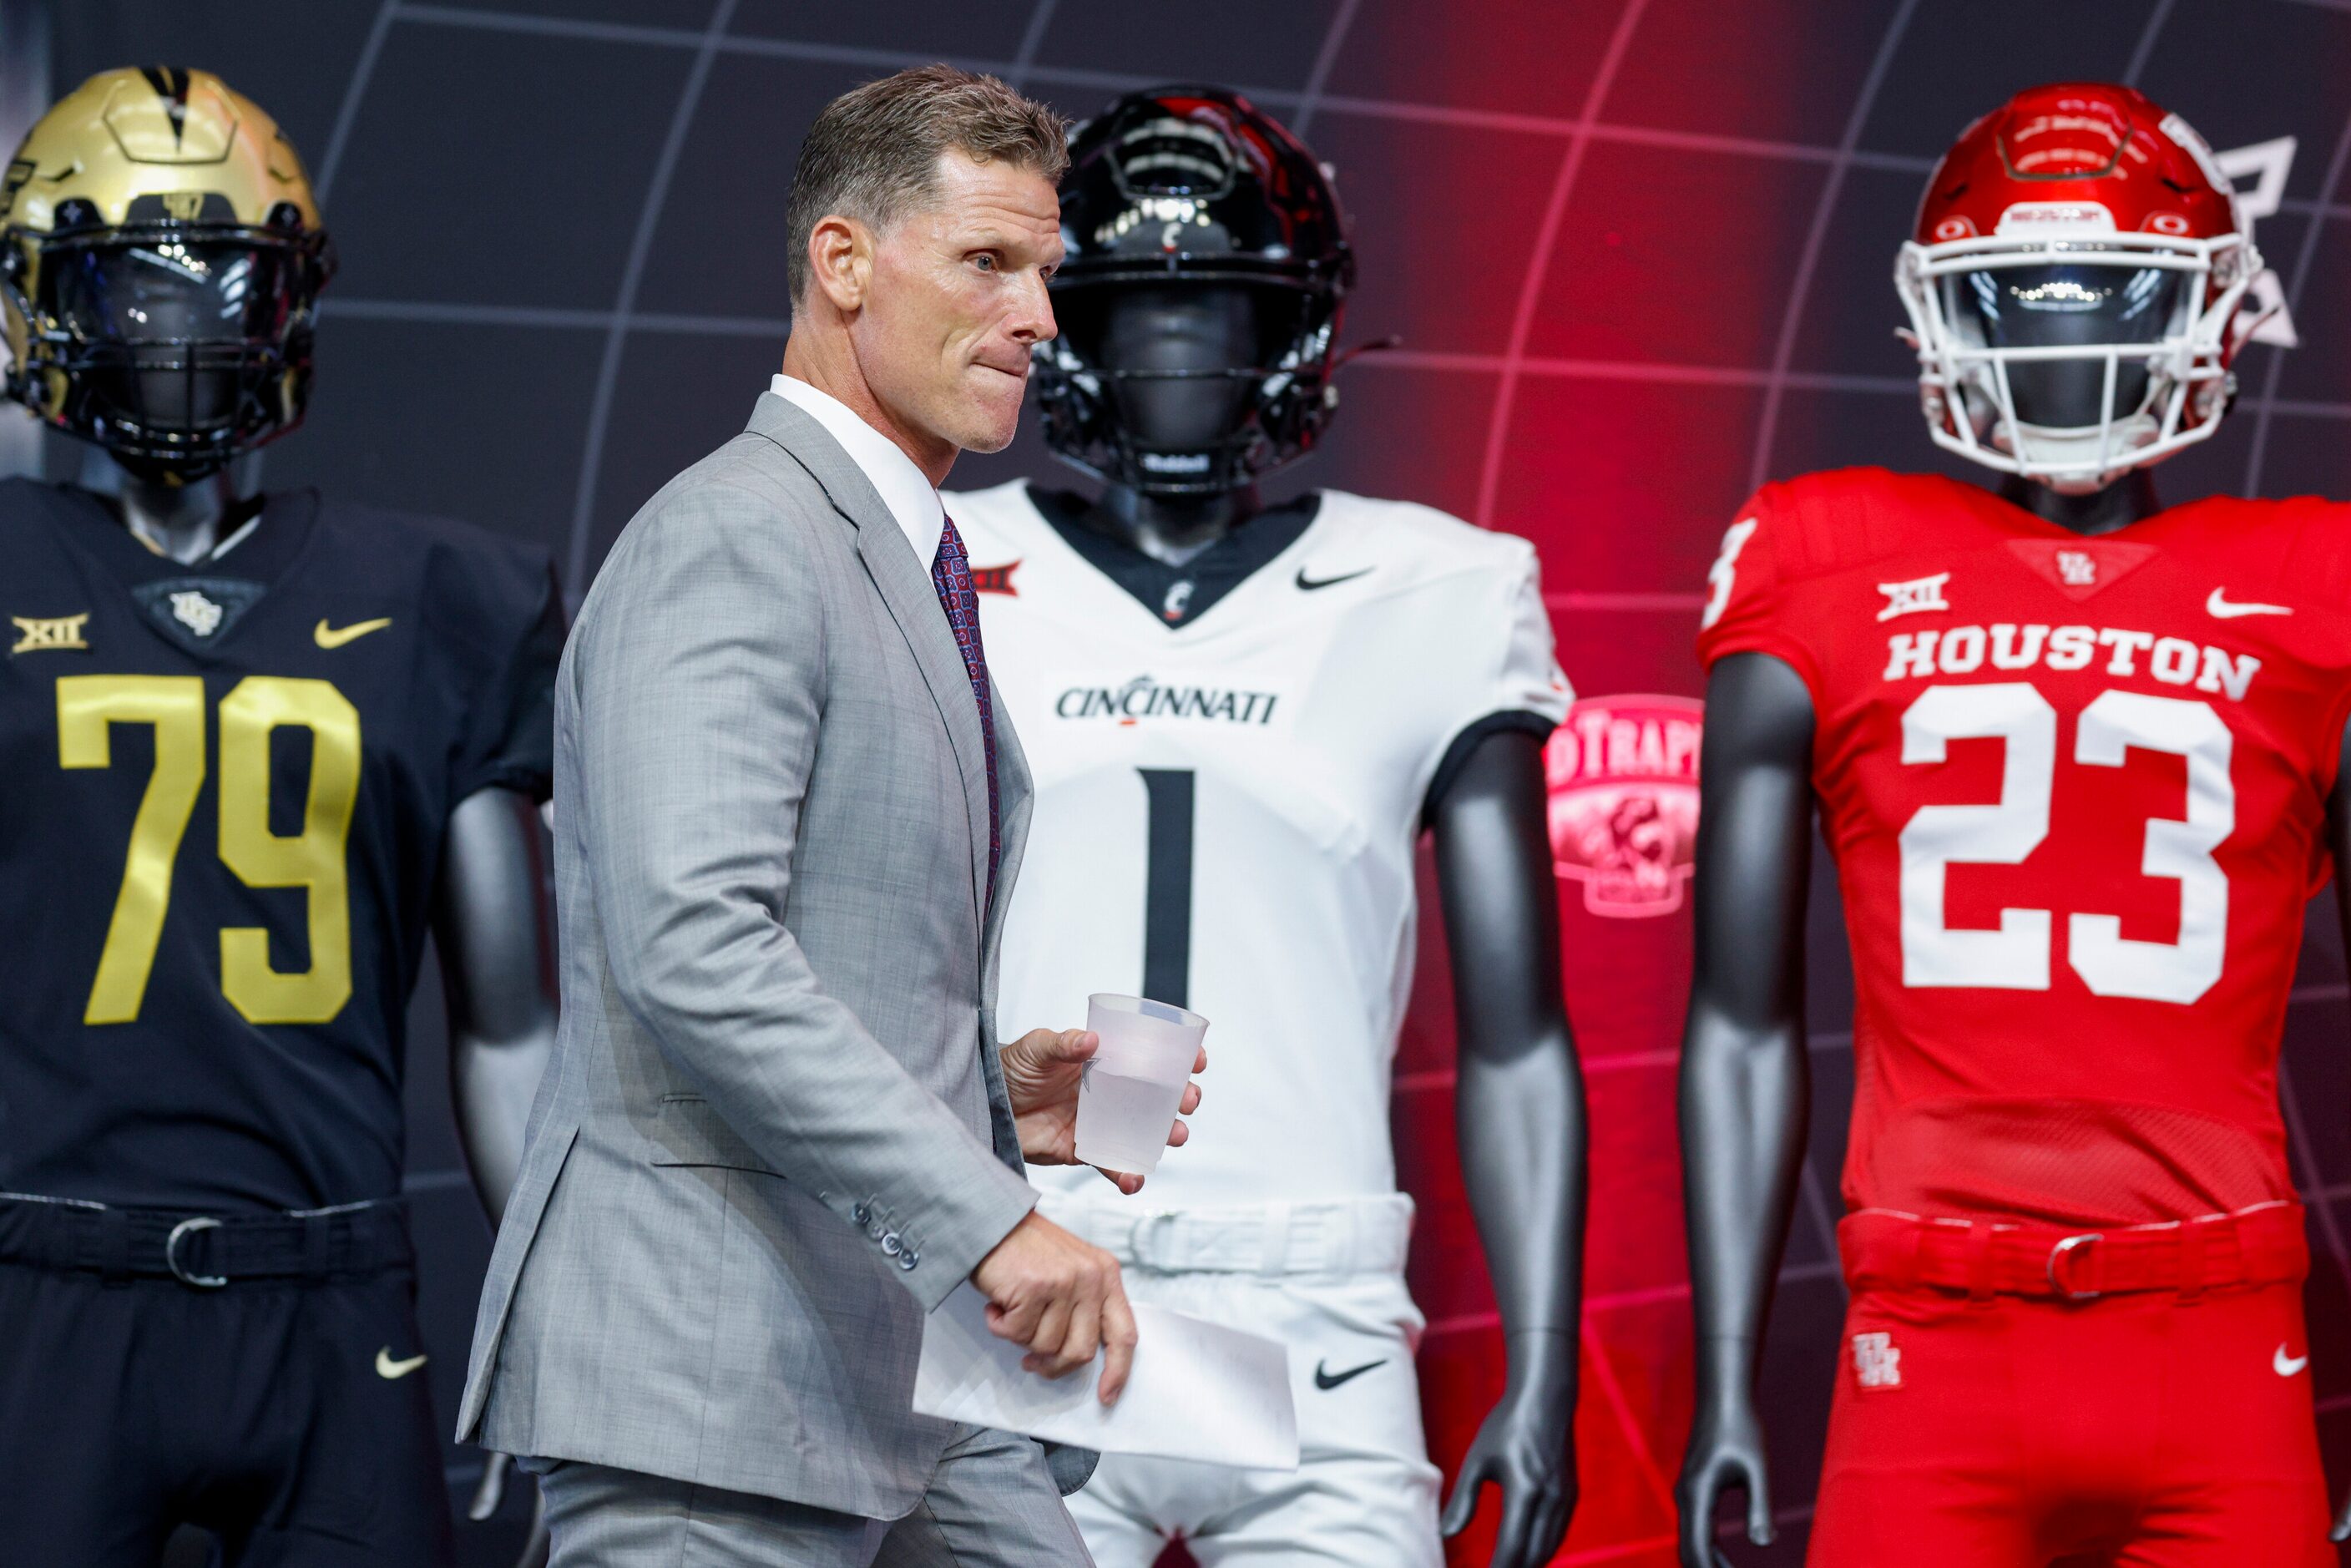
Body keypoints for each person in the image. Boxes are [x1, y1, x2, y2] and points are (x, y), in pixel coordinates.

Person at [456, 65, 1201, 1567]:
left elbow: (801, 952)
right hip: (707, 1374)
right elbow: (696, 952)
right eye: (989, 263)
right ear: (843, 261)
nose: (1042, 320)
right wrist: (986, 1214)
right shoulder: (736, 534)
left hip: (899, 1371)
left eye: (1046, 273)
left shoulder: (879, 544)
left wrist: (988, 1098)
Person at [1675, 82, 2343, 1567]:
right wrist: (1721, 1378)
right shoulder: (1821, 552)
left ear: (2213, 313)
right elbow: (1738, 1021)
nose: (2072, 347)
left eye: (2114, 300)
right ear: (1949, 323)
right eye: (2027, 305)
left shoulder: (2319, 575)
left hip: (2224, 1310)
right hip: (1931, 1327)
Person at [948, 87, 1584, 1568]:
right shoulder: (940, 561)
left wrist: (1542, 1358)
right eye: (1135, 315)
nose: (1177, 363)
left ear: (1294, 330)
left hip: (1319, 1317)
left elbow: (1517, 1035)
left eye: (1219, 314)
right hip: (1022, 1270)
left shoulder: (1436, 588)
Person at [0, 68, 561, 1566]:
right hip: (35, 1283)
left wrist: (557, 1320)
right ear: (45, 302)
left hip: (331, 1302)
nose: (177, 334)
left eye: (218, 287)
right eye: (130, 288)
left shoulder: (440, 595)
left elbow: (510, 1030)